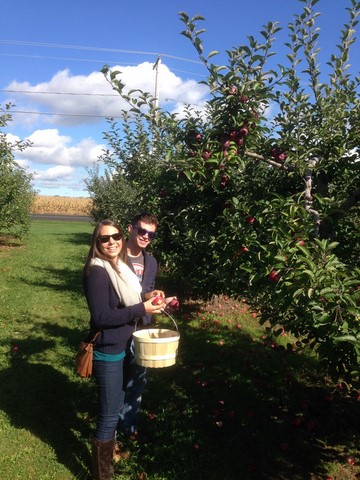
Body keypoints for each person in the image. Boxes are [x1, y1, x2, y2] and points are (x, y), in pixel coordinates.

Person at [83, 219, 164, 480]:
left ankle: (106, 463)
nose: (112, 242)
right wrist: (140, 310)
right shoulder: (98, 271)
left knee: (116, 403)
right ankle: (102, 475)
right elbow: (102, 317)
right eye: (104, 239)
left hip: (119, 349)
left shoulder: (118, 267)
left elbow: (126, 301)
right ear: (96, 243)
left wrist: (147, 298)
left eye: (115, 237)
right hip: (107, 351)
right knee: (108, 417)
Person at [117, 212, 160, 441]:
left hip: (141, 329)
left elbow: (145, 291)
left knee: (138, 381)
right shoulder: (116, 256)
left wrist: (154, 295)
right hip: (119, 327)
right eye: (142, 230)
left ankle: (129, 426)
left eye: (151, 234)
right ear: (130, 228)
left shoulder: (150, 261)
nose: (145, 236)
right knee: (117, 382)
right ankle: (110, 431)